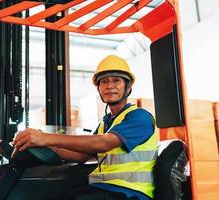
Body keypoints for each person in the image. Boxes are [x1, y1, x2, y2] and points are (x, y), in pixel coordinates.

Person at [12, 55, 158, 200]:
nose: (109, 86)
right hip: (104, 188)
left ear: (128, 86)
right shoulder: (105, 124)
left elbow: (103, 143)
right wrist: (47, 146)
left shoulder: (140, 117)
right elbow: (82, 156)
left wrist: (45, 138)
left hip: (130, 193)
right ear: (99, 88)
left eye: (116, 80)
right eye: (104, 82)